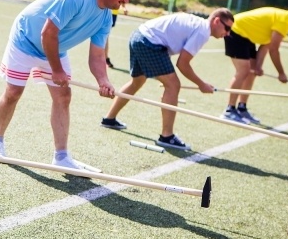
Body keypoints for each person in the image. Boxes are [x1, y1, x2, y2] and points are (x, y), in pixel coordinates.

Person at [0, 0, 136, 168]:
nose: (126, 1)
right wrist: (56, 70)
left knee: (63, 96)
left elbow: (97, 55)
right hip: (26, 38)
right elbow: (47, 33)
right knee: (13, 92)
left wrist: (103, 80)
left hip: (56, 46)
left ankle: (62, 157)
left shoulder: (106, 17)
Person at [100, 8, 235, 151]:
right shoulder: (203, 31)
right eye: (227, 28)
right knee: (173, 85)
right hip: (149, 42)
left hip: (138, 35)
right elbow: (183, 64)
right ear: (216, 21)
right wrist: (201, 85)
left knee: (138, 81)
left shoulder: (199, 24)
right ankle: (167, 136)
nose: (227, 33)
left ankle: (109, 119)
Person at [221, 3, 288, 124]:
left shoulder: (284, 20)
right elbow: (274, 50)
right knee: (243, 71)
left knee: (251, 73)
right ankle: (229, 111)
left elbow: (266, 45)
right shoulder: (284, 21)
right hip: (236, 31)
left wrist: (258, 67)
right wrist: (281, 73)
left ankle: (242, 108)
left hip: (246, 36)